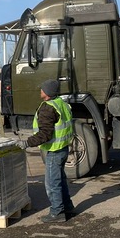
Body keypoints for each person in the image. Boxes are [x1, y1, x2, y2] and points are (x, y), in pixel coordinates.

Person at [15, 79, 75, 223]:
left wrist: (27, 143)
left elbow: (45, 134)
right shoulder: (61, 103)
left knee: (52, 183)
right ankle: (67, 207)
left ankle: (57, 212)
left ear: (47, 93)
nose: (40, 91)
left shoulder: (47, 108)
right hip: (63, 148)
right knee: (60, 180)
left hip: (54, 150)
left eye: (42, 89)